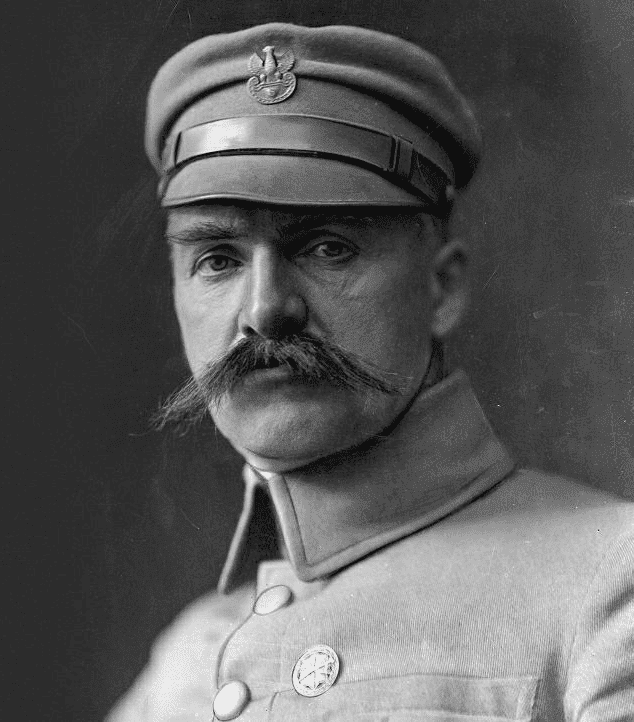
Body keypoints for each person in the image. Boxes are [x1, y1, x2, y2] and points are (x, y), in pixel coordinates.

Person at [106, 22, 634, 722]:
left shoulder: (608, 584)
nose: (265, 310)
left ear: (442, 289)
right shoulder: (182, 664)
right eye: (218, 259)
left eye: (327, 247)